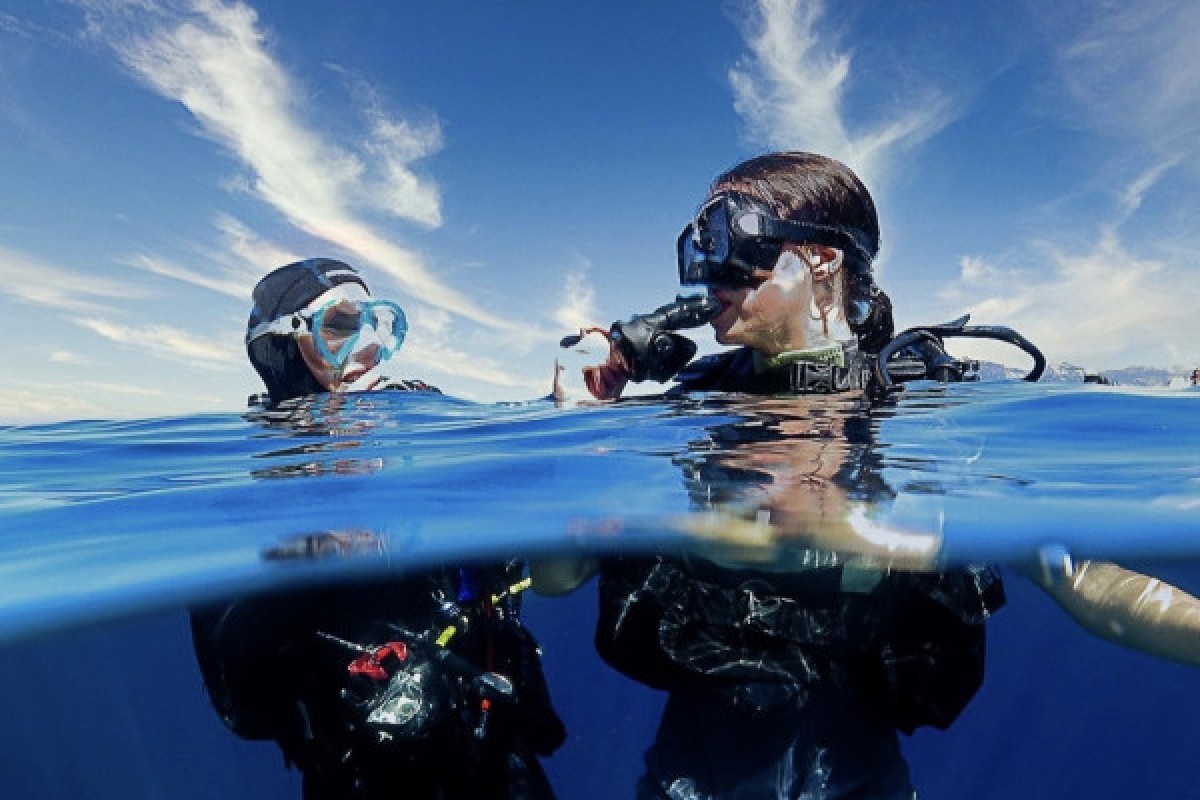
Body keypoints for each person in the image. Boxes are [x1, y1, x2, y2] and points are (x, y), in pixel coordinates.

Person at [535, 152, 1200, 799]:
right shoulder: (692, 402)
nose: (706, 271)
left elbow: (1081, 578)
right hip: (687, 771)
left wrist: (874, 539)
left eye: (726, 239)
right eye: (695, 247)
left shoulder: (924, 402)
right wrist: (582, 431)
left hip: (856, 771)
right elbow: (557, 580)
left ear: (820, 258)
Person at [191, 258, 566, 799]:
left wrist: (565, 410)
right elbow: (242, 709)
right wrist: (310, 553)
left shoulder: (427, 424)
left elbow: (528, 479)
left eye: (380, 323)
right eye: (341, 327)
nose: (369, 345)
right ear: (281, 352)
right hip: (362, 781)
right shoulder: (247, 500)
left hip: (500, 759)